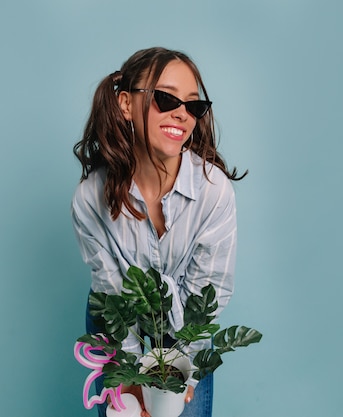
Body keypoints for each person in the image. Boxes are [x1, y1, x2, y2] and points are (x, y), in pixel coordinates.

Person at [71, 46, 246, 417]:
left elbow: (206, 296)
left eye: (193, 105)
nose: (181, 114)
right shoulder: (90, 199)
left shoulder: (214, 192)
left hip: (186, 324)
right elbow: (112, 291)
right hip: (119, 319)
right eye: (165, 99)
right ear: (124, 104)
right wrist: (132, 374)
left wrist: (180, 376)